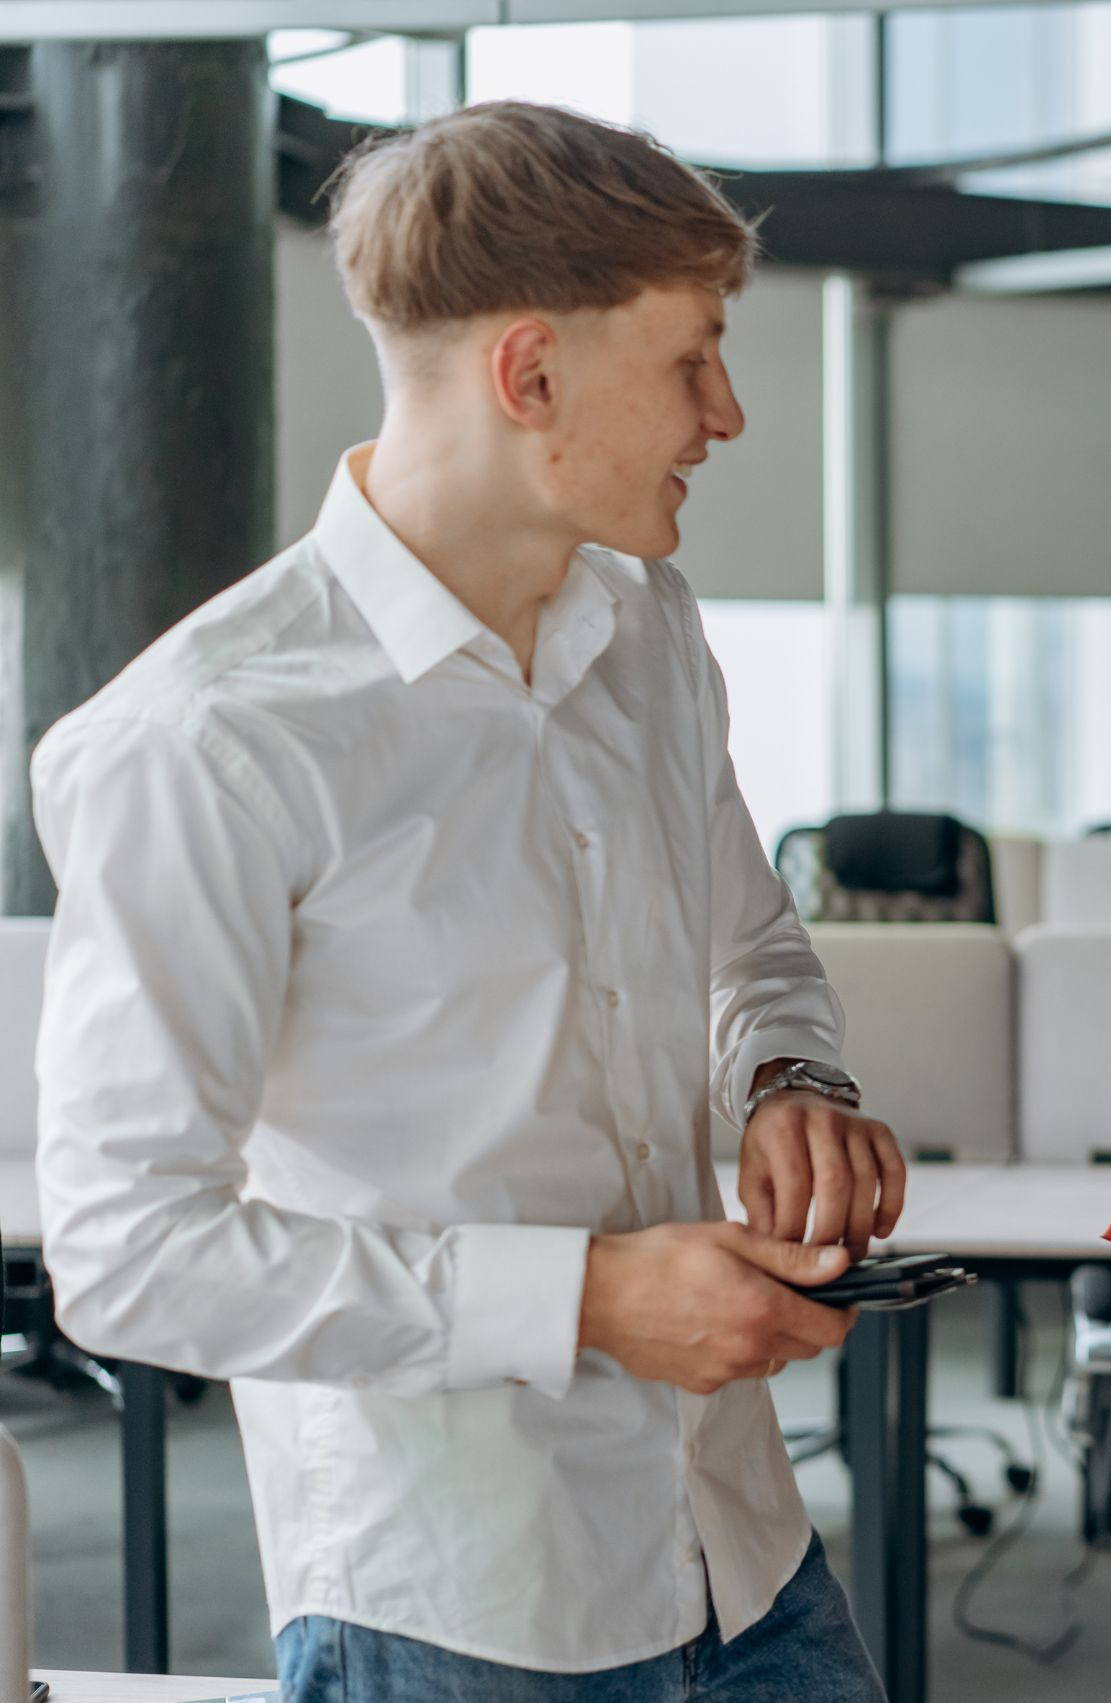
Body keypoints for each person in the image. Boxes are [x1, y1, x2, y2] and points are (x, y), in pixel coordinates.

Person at [32, 103, 908, 1700]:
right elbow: (125, 1248)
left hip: (742, 1547)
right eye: (693, 358)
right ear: (531, 373)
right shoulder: (210, 739)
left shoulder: (644, 625)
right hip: (461, 1601)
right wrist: (587, 1299)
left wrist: (794, 1074)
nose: (727, 411)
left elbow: (750, 940)